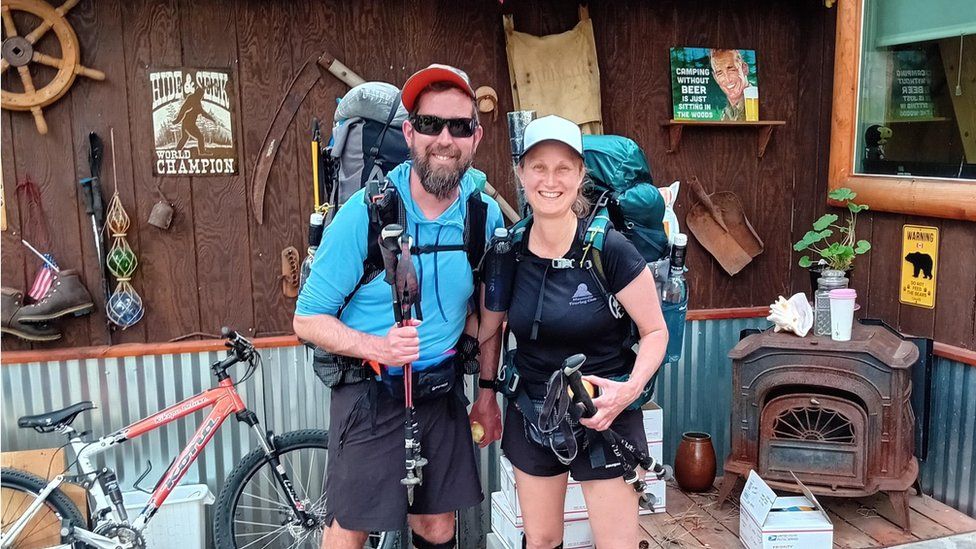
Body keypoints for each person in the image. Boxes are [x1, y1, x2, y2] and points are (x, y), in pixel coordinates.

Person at [294, 64, 505, 549]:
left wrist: (488, 394)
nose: (444, 138)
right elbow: (306, 318)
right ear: (410, 132)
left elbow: (494, 313)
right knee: (350, 527)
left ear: (476, 135)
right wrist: (378, 346)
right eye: (430, 124)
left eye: (459, 126)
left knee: (437, 526)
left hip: (441, 388)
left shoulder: (482, 215)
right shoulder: (365, 214)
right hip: (370, 391)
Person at [479, 115, 668, 549]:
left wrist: (629, 390)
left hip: (606, 413)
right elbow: (487, 329)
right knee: (542, 540)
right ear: (521, 173)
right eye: (538, 167)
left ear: (580, 175)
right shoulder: (508, 254)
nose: (550, 180)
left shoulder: (609, 250)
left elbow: (655, 330)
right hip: (533, 413)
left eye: (563, 168)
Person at [709, 49, 751, 121]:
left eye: (731, 70)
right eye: (720, 73)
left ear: (744, 69)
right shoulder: (725, 114)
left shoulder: (756, 105)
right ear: (715, 78)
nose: (728, 80)